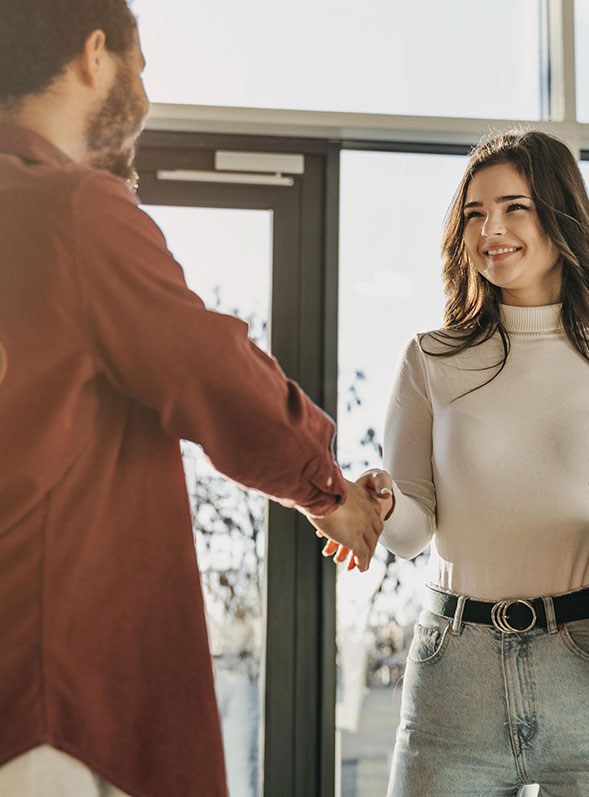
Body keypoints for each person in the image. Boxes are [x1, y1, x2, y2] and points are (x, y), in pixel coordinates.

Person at [0, 1, 392, 795]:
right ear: (95, 53)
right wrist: (328, 492)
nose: (143, 93)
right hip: (49, 698)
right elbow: (210, 369)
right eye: (141, 68)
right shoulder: (70, 208)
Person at [367, 130, 589, 795]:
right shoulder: (430, 358)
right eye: (473, 212)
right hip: (453, 672)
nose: (489, 227)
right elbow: (410, 532)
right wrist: (379, 504)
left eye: (513, 206)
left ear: (558, 213)